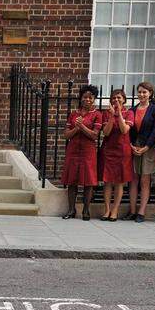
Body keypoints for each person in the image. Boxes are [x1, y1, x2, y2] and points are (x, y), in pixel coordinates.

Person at [61, 84, 102, 221]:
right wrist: (76, 129)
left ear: (94, 99)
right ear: (81, 98)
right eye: (85, 97)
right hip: (73, 150)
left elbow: (95, 135)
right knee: (72, 181)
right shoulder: (73, 114)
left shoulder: (97, 115)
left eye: (91, 97)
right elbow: (66, 135)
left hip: (88, 151)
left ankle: (86, 210)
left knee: (88, 181)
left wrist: (82, 126)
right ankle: (71, 210)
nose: (88, 100)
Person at [124, 82, 155, 223]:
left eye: (144, 92)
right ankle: (133, 211)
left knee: (145, 181)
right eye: (139, 92)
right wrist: (130, 145)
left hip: (149, 148)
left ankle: (141, 212)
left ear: (150, 94)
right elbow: (128, 130)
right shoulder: (132, 110)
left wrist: (147, 146)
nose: (141, 95)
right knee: (133, 180)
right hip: (134, 147)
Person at [99, 89, 134, 221]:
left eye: (119, 98)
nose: (116, 100)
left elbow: (124, 130)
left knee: (119, 182)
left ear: (124, 99)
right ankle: (107, 210)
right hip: (108, 150)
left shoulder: (129, 113)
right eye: (114, 98)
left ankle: (115, 210)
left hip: (122, 150)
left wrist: (118, 115)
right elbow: (106, 132)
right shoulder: (105, 114)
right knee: (107, 181)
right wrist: (112, 117)